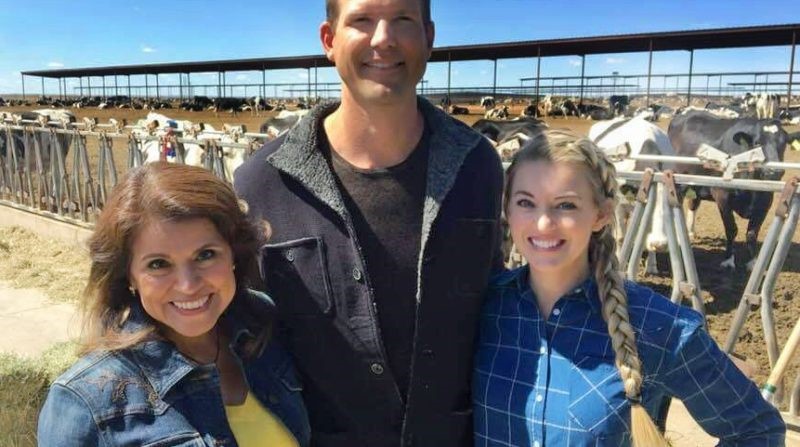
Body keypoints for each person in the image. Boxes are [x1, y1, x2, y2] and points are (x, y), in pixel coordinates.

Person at [234, 0, 504, 445]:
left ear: (429, 37)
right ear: (329, 40)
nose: (383, 39)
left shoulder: (477, 167)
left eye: (403, 20)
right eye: (362, 20)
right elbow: (241, 335)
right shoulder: (262, 183)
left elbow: (500, 307)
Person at [473, 130, 786, 446]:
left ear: (602, 214)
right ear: (507, 210)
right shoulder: (481, 309)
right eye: (526, 202)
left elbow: (757, 428)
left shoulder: (655, 324)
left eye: (566, 205)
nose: (543, 223)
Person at [38, 162, 309, 447]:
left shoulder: (264, 329)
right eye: (158, 264)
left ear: (233, 255)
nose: (188, 285)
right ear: (129, 274)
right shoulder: (86, 404)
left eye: (205, 255)